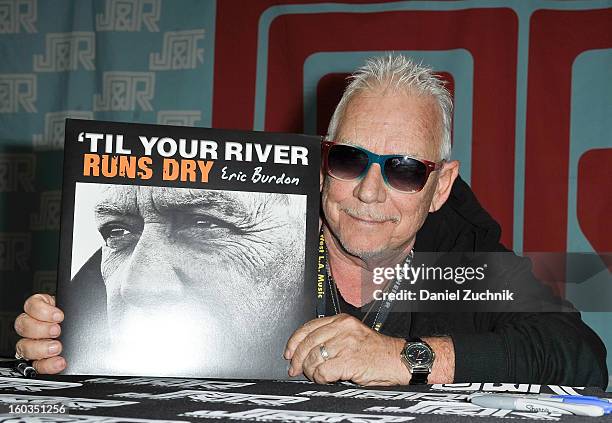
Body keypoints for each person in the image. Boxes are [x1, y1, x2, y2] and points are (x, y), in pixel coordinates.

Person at [14, 55, 608, 387]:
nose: (369, 193)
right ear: (321, 161)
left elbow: (579, 353)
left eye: (404, 169)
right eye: (351, 161)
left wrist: (408, 358)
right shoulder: (220, 215)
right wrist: (48, 355)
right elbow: (89, 351)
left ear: (439, 187)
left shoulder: (465, 251)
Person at [20, 183, 309, 377]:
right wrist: (41, 351)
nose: (136, 285)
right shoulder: (88, 295)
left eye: (204, 223)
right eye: (117, 231)